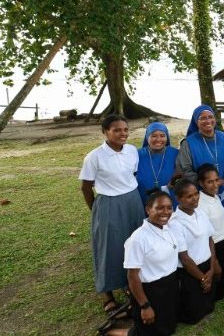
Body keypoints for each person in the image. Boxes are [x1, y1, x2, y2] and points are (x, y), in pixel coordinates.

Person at [79, 114, 145, 316]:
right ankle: (107, 294)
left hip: (133, 201)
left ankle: (129, 284)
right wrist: (98, 210)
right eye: (117, 130)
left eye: (125, 129)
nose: (123, 133)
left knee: (134, 243)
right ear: (105, 132)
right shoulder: (94, 156)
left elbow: (130, 175)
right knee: (108, 248)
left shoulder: (132, 151)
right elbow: (86, 187)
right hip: (108, 203)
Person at [111, 191, 180, 336]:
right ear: (148, 209)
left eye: (169, 207)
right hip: (150, 291)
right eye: (160, 208)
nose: (166, 212)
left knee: (167, 328)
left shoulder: (167, 228)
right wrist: (145, 306)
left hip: (168, 286)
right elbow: (132, 276)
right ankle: (114, 332)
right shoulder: (138, 239)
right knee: (147, 332)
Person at [167, 178, 218, 324]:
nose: (195, 198)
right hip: (190, 271)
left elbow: (210, 239)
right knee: (192, 316)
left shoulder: (200, 213)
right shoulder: (175, 222)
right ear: (178, 199)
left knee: (208, 306)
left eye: (196, 194)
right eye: (189, 196)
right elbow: (184, 258)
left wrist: (212, 268)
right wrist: (203, 278)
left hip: (207, 266)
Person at [197, 163, 224, 301]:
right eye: (209, 182)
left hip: (223, 243)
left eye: (216, 180)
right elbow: (206, 236)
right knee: (217, 280)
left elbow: (222, 227)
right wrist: (215, 262)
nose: (215, 185)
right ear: (201, 183)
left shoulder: (216, 197)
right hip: (212, 247)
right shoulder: (200, 204)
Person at [176, 105, 224, 183]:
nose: (208, 121)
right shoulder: (187, 143)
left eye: (210, 117)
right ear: (196, 121)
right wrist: (208, 182)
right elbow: (185, 170)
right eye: (203, 118)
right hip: (201, 190)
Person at [136, 122, 179, 208]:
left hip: (171, 199)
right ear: (147, 137)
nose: (158, 139)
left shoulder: (175, 153)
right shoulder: (137, 155)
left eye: (162, 136)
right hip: (145, 199)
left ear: (167, 137)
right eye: (154, 136)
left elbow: (181, 173)